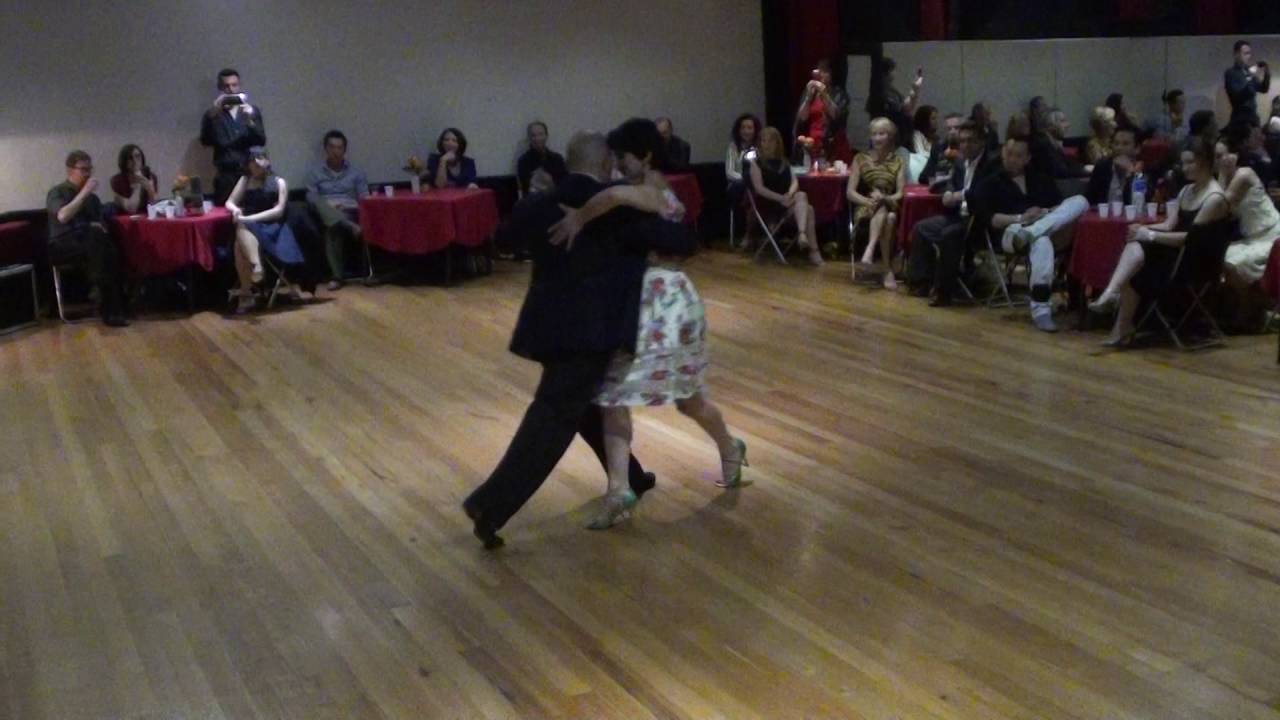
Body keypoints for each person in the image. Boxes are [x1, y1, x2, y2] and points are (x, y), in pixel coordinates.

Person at [461, 126, 691, 550]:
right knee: (553, 419)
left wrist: (536, 204)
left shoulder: (546, 201)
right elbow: (678, 240)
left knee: (586, 405)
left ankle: (632, 477)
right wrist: (661, 204)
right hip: (592, 332)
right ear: (605, 163)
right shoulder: (614, 207)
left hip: (548, 327)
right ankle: (488, 506)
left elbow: (503, 238)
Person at [547, 121, 748, 529]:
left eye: (623, 155)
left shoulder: (652, 188)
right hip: (640, 304)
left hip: (668, 304)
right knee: (613, 394)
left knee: (687, 399)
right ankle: (618, 489)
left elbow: (613, 195)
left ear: (647, 156)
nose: (617, 163)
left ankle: (730, 446)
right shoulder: (639, 187)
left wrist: (578, 218)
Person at [1087, 138, 1233, 346]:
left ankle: (1115, 305)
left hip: (1197, 263)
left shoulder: (1215, 198)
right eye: (1183, 163)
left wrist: (1149, 235)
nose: (1185, 168)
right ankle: (1113, 301)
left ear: (1205, 161)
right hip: (1178, 252)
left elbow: (1191, 239)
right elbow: (1169, 225)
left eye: (1190, 162)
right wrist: (1142, 229)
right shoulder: (1186, 191)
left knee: (1136, 259)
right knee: (1134, 249)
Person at [973, 135, 1089, 333]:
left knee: (1080, 201)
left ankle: (1034, 231)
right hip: (1011, 231)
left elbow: (1058, 206)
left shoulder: (1039, 178)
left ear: (1027, 158)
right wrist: (1021, 218)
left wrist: (1043, 213)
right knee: (1042, 242)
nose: (1012, 159)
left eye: (1018, 155)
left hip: (1043, 226)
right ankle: (1041, 310)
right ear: (1003, 154)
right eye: (1009, 154)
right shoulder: (989, 182)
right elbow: (991, 219)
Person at [906, 120, 1001, 306]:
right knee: (921, 228)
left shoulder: (992, 164)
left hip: (981, 221)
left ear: (982, 142)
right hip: (959, 216)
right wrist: (948, 193)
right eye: (962, 141)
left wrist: (958, 195)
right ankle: (921, 282)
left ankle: (944, 292)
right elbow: (952, 184)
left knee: (950, 234)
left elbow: (984, 192)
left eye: (971, 141)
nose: (965, 145)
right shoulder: (959, 162)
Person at [46, 150, 128, 326]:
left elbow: (99, 225)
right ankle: (108, 303)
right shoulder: (58, 192)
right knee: (99, 243)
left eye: (90, 169)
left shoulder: (93, 199)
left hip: (91, 243)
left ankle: (111, 302)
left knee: (108, 243)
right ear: (70, 170)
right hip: (63, 244)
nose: (88, 174)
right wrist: (84, 192)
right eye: (83, 169)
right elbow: (63, 216)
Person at [224, 149, 307, 314]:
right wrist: (235, 210)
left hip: (272, 228)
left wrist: (250, 218)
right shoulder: (245, 180)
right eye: (252, 162)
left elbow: (278, 212)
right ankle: (256, 266)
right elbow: (230, 201)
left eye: (259, 162)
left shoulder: (279, 182)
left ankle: (246, 294)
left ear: (267, 162)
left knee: (239, 238)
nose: (255, 166)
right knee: (240, 235)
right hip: (248, 226)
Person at [747, 127, 824, 265]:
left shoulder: (784, 162)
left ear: (777, 143)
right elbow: (759, 189)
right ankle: (813, 250)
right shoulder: (755, 164)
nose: (767, 144)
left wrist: (789, 194)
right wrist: (780, 198)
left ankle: (802, 235)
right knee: (809, 210)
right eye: (763, 141)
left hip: (787, 202)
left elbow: (795, 182)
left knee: (802, 196)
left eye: (771, 141)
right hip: (769, 204)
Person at [306, 130, 369, 291]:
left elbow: (365, 199)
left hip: (349, 211)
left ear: (344, 150)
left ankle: (337, 277)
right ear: (326, 149)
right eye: (332, 147)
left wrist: (347, 207)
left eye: (339, 147)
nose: (336, 151)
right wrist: (329, 207)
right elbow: (311, 198)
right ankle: (350, 226)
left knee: (333, 223)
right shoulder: (315, 172)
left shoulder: (356, 172)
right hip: (324, 211)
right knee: (319, 204)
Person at [849, 117, 906, 288]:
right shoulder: (860, 158)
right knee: (889, 218)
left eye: (882, 134)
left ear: (890, 136)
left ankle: (870, 248)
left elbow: (900, 193)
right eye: (874, 134)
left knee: (886, 209)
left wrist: (885, 198)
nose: (877, 138)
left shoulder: (898, 161)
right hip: (865, 205)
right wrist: (868, 202)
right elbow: (850, 193)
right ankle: (887, 270)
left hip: (890, 202)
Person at [1216, 139, 1280, 289]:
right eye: (1216, 157)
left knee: (1233, 263)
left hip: (1272, 234)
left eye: (1224, 154)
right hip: (1252, 238)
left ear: (1235, 155)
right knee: (1220, 256)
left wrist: (1221, 174)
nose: (1222, 160)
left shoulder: (1244, 173)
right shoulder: (1222, 183)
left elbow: (1218, 204)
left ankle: (1252, 302)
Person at [200, 68, 266, 205]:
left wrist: (251, 120)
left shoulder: (251, 111)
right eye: (226, 86)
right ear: (220, 88)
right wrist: (214, 115)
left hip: (250, 173)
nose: (231, 89)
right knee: (226, 212)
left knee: (251, 211)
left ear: (239, 86)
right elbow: (205, 141)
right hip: (225, 175)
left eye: (234, 85)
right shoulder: (213, 114)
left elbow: (261, 140)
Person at [868, 57, 923, 150]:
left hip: (901, 142)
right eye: (891, 71)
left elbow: (906, 108)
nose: (893, 75)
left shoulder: (893, 92)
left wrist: (915, 90)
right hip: (887, 145)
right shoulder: (877, 94)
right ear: (885, 73)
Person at [725, 113, 761, 235]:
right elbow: (730, 173)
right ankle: (748, 235)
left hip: (758, 186)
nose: (746, 131)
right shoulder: (733, 147)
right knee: (750, 191)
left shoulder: (759, 147)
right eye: (743, 128)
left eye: (749, 128)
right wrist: (747, 179)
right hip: (738, 186)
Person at [1085, 126, 1140, 206]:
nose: (1119, 148)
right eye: (1116, 143)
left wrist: (1130, 173)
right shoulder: (1102, 168)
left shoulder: (1142, 171)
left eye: (1125, 144)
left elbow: (1138, 204)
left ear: (1137, 149)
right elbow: (1089, 201)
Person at [1030, 107, 1088, 179]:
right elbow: (1060, 172)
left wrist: (1084, 168)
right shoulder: (1042, 144)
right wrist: (1087, 171)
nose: (1068, 125)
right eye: (1062, 121)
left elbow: (1067, 164)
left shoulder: (1051, 143)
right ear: (1050, 126)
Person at [1225, 40, 1271, 127]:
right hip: (1240, 119)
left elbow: (1263, 89)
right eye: (1245, 53)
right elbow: (1238, 97)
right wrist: (1250, 77)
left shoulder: (1248, 71)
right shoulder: (1231, 73)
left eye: (1249, 53)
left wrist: (1267, 72)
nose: (1248, 56)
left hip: (1252, 116)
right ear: (1236, 54)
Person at [516, 121, 567, 196]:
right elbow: (524, 187)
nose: (537, 138)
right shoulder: (523, 161)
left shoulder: (557, 159)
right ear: (529, 138)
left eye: (540, 134)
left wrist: (549, 182)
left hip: (555, 199)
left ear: (546, 136)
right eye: (533, 135)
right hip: (533, 200)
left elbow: (564, 184)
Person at [110, 144, 159, 215]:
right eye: (130, 158)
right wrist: (138, 183)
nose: (135, 160)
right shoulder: (117, 180)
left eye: (137, 156)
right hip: (125, 217)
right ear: (124, 161)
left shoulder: (150, 176)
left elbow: (155, 206)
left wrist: (149, 188)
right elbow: (132, 208)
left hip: (146, 216)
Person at [920, 112, 965, 183]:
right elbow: (924, 177)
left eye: (957, 128)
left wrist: (958, 157)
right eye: (949, 129)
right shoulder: (938, 147)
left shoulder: (970, 148)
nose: (952, 132)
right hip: (942, 186)